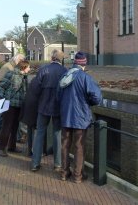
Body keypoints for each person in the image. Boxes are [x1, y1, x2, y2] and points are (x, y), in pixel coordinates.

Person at [57, 51, 102, 183]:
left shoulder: (64, 75)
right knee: (79, 146)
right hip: (80, 117)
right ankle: (78, 175)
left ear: (74, 62)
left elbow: (57, 96)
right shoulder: (85, 78)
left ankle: (64, 173)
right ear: (84, 64)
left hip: (65, 116)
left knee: (65, 144)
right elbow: (97, 97)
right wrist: (89, 103)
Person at [31, 49, 67, 172]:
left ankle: (35, 163)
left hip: (43, 106)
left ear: (52, 57)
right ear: (61, 59)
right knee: (57, 133)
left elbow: (35, 88)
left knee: (40, 133)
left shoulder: (43, 69)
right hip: (58, 107)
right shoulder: (64, 71)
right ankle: (57, 164)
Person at [0, 54, 25, 146]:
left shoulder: (9, 66)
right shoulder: (9, 68)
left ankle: (15, 138)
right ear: (18, 60)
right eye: (22, 60)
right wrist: (0, 97)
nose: (22, 62)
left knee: (4, 120)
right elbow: (0, 82)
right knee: (3, 120)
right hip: (4, 98)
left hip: (4, 97)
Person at [0, 60, 31, 157]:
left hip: (18, 105)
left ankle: (12, 146)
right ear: (24, 67)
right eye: (29, 67)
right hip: (9, 105)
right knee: (7, 126)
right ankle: (1, 148)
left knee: (15, 127)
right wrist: (0, 98)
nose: (30, 69)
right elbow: (1, 86)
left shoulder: (24, 77)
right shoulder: (11, 74)